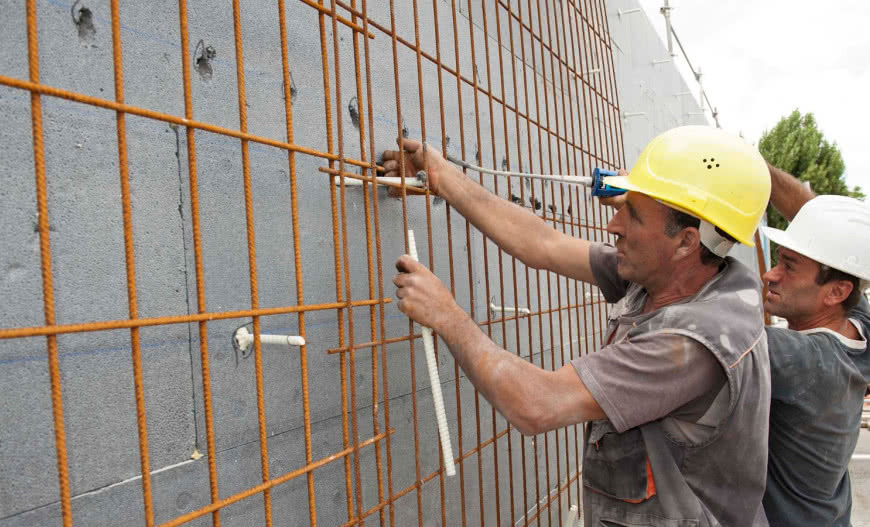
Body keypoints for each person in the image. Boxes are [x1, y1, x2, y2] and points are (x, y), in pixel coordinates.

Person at [382, 126, 773, 526]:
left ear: (687, 242)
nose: (613, 225)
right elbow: (542, 244)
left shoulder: (691, 344)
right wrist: (443, 176)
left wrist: (446, 315)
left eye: (633, 214)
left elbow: (535, 403)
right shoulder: (680, 274)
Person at [760, 164, 870, 526]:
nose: (770, 274)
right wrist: (754, 169)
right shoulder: (858, 328)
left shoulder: (798, 358)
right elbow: (824, 225)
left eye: (789, 267)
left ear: (836, 292)